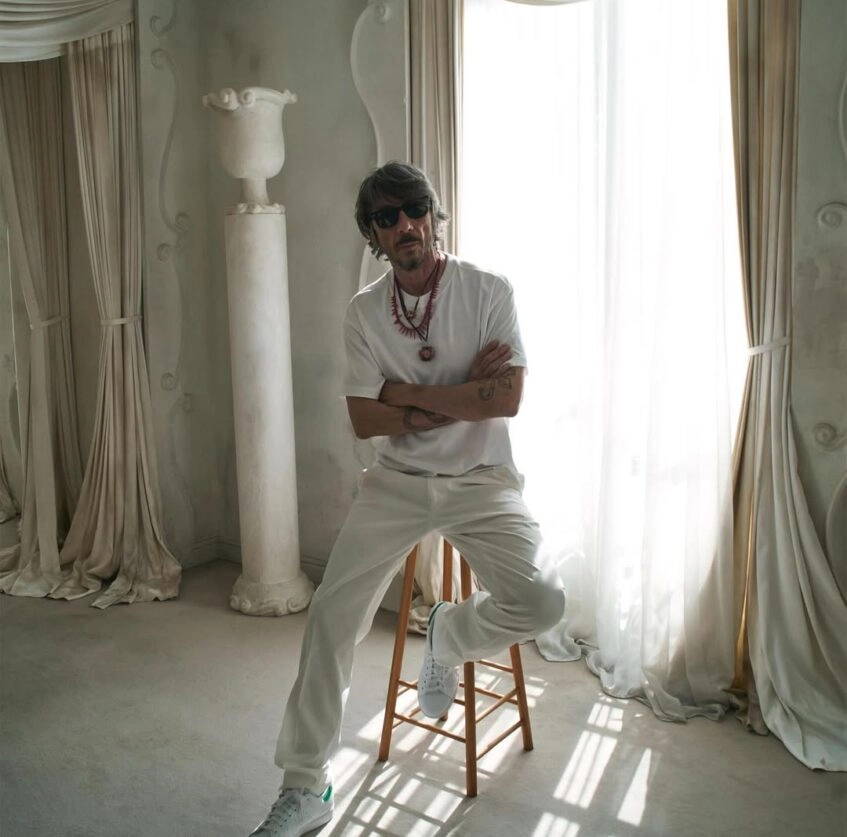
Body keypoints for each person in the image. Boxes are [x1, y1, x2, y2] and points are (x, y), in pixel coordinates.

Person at [249, 162, 565, 836]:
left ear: (433, 214)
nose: (405, 225)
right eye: (386, 218)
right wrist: (460, 393)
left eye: (414, 208)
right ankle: (305, 785)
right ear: (372, 234)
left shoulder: (487, 291)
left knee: (543, 601)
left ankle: (449, 633)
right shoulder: (365, 311)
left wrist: (407, 397)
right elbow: (365, 419)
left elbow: (506, 397)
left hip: (481, 478)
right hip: (395, 483)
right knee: (330, 617)